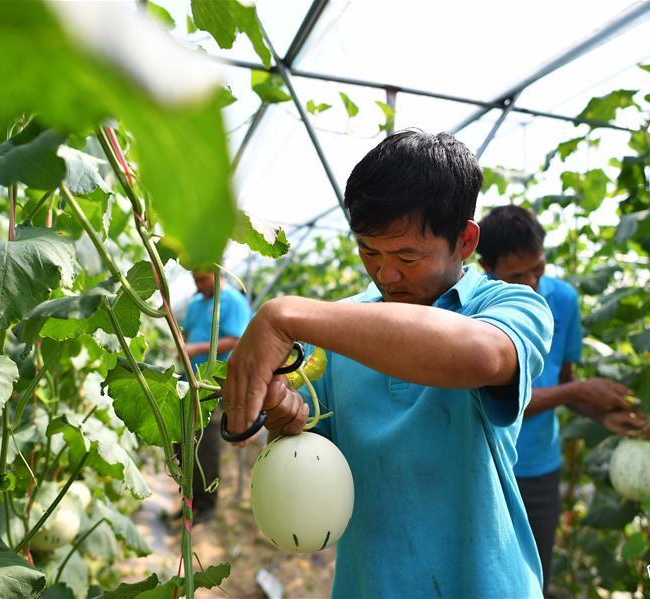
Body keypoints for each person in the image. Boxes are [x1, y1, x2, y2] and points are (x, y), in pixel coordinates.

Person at [222, 131, 554, 598]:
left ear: (465, 240)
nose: (385, 274)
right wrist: (285, 421)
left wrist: (283, 314)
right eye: (368, 251)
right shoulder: (339, 328)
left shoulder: (509, 305)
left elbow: (483, 355)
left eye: (407, 256)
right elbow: (318, 457)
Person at [476, 204, 650, 595]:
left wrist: (602, 415)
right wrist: (576, 391)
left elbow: (565, 382)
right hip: (484, 467)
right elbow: (499, 395)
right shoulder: (474, 306)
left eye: (538, 269)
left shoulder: (564, 299)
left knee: (533, 581)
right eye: (518, 276)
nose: (533, 283)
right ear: (487, 267)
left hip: (540, 468)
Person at [181, 269, 252, 522]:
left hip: (216, 380)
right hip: (191, 375)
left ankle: (207, 506)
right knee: (185, 439)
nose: (197, 284)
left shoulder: (232, 300)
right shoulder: (196, 303)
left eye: (202, 279)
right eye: (194, 279)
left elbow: (237, 339)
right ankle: (188, 500)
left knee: (205, 442)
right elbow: (186, 335)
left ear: (216, 273)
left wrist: (196, 348)